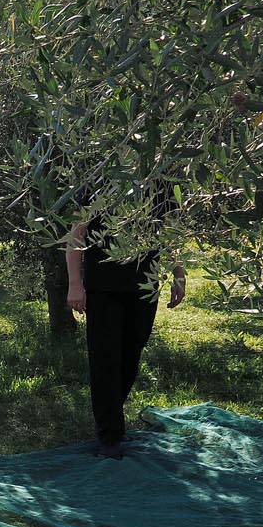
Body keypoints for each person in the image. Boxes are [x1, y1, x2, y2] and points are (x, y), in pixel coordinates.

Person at [66, 194, 186, 458]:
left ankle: (111, 417)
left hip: (145, 286)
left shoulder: (159, 184)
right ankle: (109, 435)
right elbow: (76, 236)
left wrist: (179, 274)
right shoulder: (100, 184)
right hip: (103, 287)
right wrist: (75, 283)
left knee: (132, 353)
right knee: (105, 357)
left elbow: (170, 233)